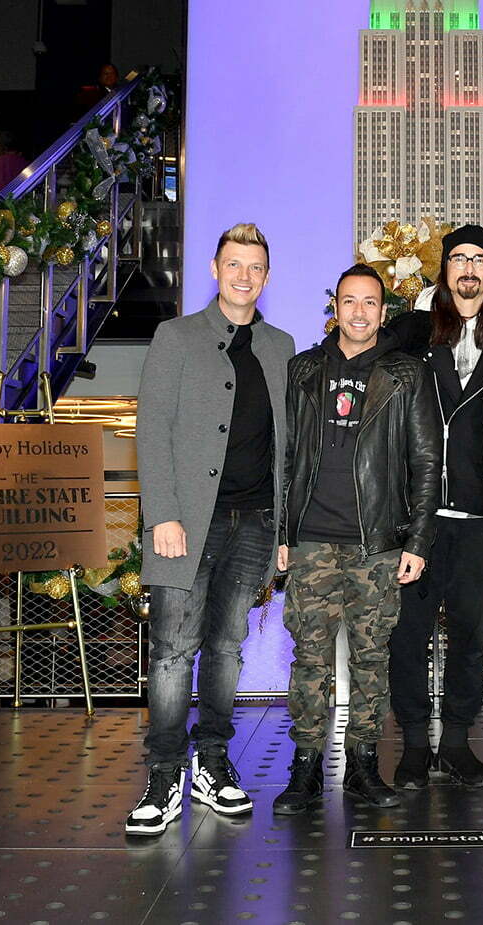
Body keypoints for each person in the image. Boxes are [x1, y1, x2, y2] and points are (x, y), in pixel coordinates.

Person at [126, 223, 295, 836]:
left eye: (255, 266)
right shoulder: (176, 337)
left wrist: (284, 527)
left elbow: (287, 446)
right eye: (234, 264)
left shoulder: (281, 345)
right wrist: (162, 515)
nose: (244, 275)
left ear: (267, 277)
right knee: (172, 650)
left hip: (255, 522)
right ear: (214, 268)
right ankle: (165, 772)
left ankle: (214, 764)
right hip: (186, 524)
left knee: (227, 648)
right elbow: (152, 431)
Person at [273, 264, 441, 814]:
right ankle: (305, 770)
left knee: (373, 659)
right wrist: (282, 533)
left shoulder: (405, 374)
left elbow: (425, 461)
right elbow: (284, 459)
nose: (360, 312)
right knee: (310, 660)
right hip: (312, 541)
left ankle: (365, 765)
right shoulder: (302, 371)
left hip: (378, 545)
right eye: (350, 301)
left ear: (383, 311)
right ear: (336, 308)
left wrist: (417, 541)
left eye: (371, 302)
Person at [386, 224, 483, 788]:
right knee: (407, 636)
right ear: (443, 269)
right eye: (459, 259)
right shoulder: (412, 331)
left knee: (471, 636)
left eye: (480, 260)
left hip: (481, 520)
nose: (469, 269)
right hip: (415, 521)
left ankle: (458, 744)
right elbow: (352, 356)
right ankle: (416, 746)